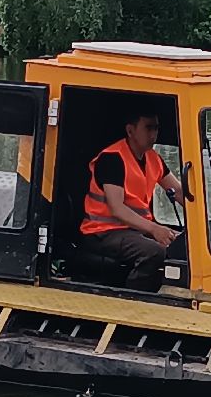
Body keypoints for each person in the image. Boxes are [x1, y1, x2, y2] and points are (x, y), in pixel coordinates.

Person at [76, 108, 184, 292]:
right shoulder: (112, 159)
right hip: (103, 233)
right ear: (130, 131)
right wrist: (154, 229)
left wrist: (202, 218)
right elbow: (117, 208)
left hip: (133, 230)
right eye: (148, 128)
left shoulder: (153, 158)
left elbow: (180, 192)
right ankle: (135, 296)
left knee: (180, 244)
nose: (154, 134)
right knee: (154, 252)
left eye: (156, 128)